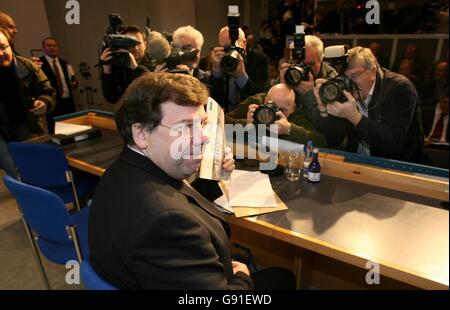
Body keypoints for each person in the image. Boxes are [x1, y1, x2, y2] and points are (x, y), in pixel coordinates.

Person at [89, 72, 296, 290]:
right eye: (186, 126)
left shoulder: (122, 170)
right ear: (141, 134)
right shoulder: (167, 224)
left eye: (203, 123)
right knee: (283, 278)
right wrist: (243, 278)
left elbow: (180, 198)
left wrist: (212, 171)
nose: (204, 137)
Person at [301, 46, 426, 164]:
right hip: (357, 164)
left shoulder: (399, 88)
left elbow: (392, 143)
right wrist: (323, 109)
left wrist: (354, 117)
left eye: (355, 75)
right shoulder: (347, 90)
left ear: (373, 70)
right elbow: (334, 137)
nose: (350, 82)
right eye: (345, 77)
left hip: (400, 169)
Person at [226, 83, 328, 147]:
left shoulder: (296, 115)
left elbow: (321, 142)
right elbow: (223, 121)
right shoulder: (256, 103)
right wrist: (246, 125)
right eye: (272, 107)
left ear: (292, 108)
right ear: (265, 101)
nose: (276, 113)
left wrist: (289, 129)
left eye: (282, 110)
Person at [0, 29, 56, 142]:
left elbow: (47, 92)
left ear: (10, 46)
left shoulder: (28, 67)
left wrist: (44, 102)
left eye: (3, 47)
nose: (0, 53)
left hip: (29, 130)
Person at [209, 26, 270, 112]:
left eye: (234, 47)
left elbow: (260, 98)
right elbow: (211, 102)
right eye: (226, 48)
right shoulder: (219, 61)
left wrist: (241, 76)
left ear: (244, 44)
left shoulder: (260, 60)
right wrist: (216, 72)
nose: (230, 52)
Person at [99, 25, 152, 104]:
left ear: (145, 44)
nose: (136, 48)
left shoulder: (156, 63)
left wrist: (135, 68)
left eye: (139, 43)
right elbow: (112, 98)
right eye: (131, 43)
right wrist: (107, 71)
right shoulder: (119, 66)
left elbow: (152, 93)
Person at [40, 37, 77, 133]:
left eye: (54, 45)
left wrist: (74, 83)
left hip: (68, 102)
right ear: (43, 48)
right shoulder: (39, 64)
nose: (52, 48)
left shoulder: (65, 63)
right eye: (49, 45)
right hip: (53, 104)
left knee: (72, 128)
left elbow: (72, 80)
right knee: (56, 131)